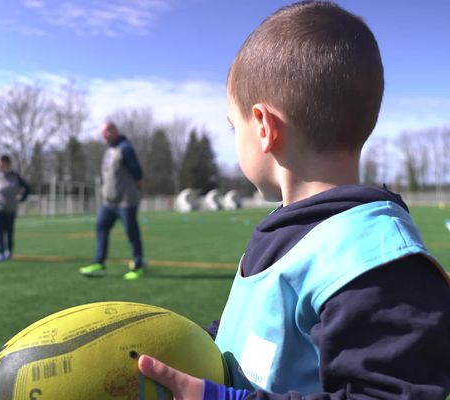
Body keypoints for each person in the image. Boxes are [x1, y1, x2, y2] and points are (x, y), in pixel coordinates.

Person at [137, 1, 450, 399]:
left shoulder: (375, 263)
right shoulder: (287, 225)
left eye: (234, 126)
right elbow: (255, 335)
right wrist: (194, 342)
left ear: (264, 127)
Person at [79, 122, 146, 280]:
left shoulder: (125, 148)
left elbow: (138, 173)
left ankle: (138, 265)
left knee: (131, 232)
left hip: (126, 201)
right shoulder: (109, 150)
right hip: (109, 202)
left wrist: (137, 192)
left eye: (106, 132)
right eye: (102, 132)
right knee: (101, 226)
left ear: (114, 131)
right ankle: (99, 263)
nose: (103, 135)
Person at [0, 154, 31, 263]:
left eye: (2, 162)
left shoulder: (15, 177)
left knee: (9, 232)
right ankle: (0, 253)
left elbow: (28, 188)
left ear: (7, 163)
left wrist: (22, 198)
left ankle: (9, 251)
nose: (0, 165)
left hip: (11, 209)